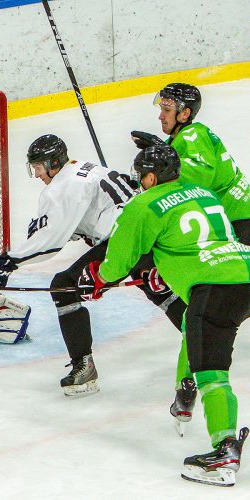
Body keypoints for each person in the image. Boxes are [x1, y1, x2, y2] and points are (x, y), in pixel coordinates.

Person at [78, 145, 249, 486]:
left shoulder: (142, 204)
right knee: (191, 326)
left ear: (151, 176)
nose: (140, 183)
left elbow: (119, 263)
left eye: (142, 177)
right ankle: (185, 390)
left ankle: (224, 450)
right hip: (244, 269)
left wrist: (96, 278)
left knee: (213, 373)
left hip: (214, 287)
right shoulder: (201, 192)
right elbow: (201, 240)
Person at [0, 134, 179, 397]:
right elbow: (83, 217)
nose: (37, 174)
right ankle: (207, 345)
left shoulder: (63, 187)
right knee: (159, 291)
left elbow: (50, 242)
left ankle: (83, 368)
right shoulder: (84, 168)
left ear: (52, 163)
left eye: (38, 168)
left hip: (122, 240)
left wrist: (7, 263)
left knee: (63, 287)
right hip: (147, 231)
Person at [131, 82, 250, 429]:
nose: (160, 114)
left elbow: (199, 180)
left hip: (238, 223)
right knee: (198, 315)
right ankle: (186, 384)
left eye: (167, 108)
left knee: (202, 313)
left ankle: (187, 385)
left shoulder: (192, 136)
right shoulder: (183, 139)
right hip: (232, 221)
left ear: (185, 113)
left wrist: (160, 155)